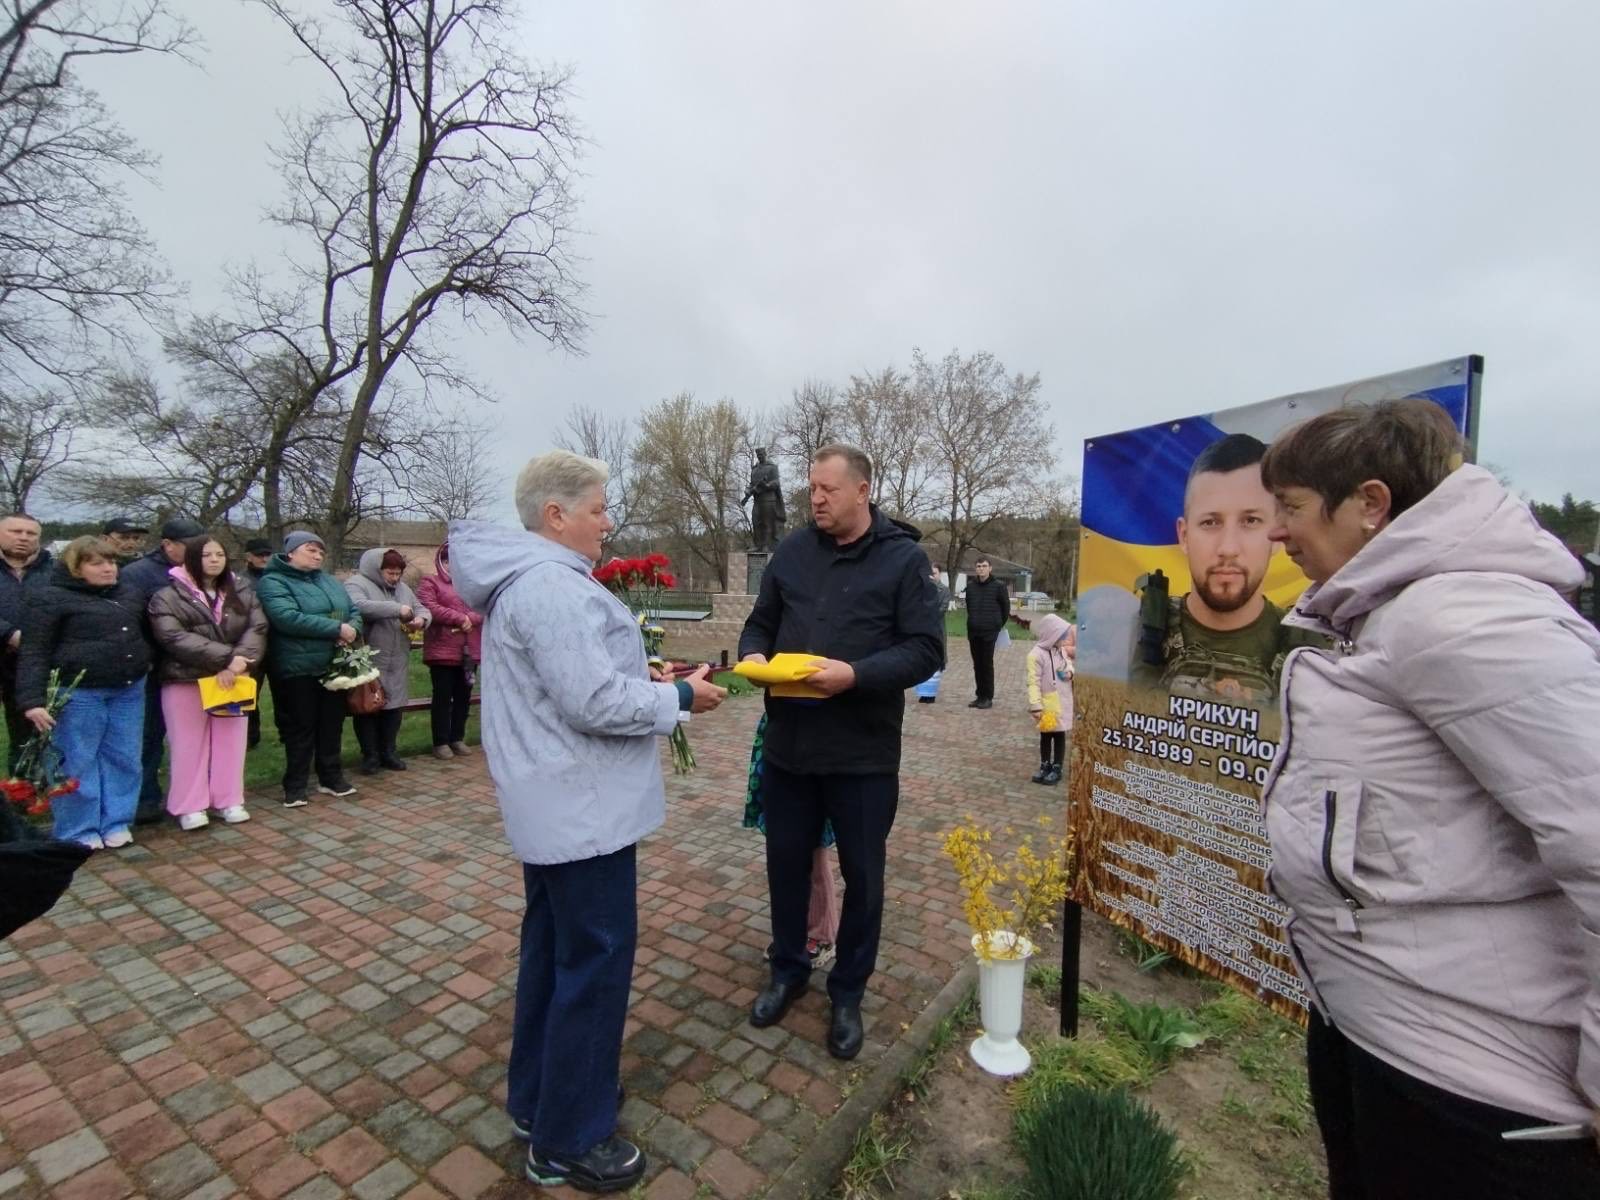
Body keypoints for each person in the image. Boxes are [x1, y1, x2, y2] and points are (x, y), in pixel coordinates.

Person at [1259, 398, 1600, 1198]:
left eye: (1292, 507)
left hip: (1472, 1091)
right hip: (1390, 1039)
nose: (1277, 531)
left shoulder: (1464, 620)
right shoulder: (1396, 614)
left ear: (1370, 504)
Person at [451, 449, 726, 1193]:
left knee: (555, 957)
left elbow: (578, 682)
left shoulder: (536, 580)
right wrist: (677, 700)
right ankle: (570, 1138)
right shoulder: (550, 586)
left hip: (560, 805)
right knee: (594, 967)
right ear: (556, 514)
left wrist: (646, 679)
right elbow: (593, 702)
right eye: (599, 509)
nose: (608, 523)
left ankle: (542, 1100)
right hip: (581, 812)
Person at [739, 442, 944, 1060]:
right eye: (811, 489)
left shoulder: (903, 560)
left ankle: (848, 991)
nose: (816, 499)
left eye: (827, 489)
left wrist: (854, 675)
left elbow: (926, 649)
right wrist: (754, 654)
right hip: (790, 749)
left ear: (862, 490)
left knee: (865, 878)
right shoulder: (793, 551)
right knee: (786, 866)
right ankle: (788, 969)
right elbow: (761, 620)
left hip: (862, 755)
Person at [16, 537, 151, 850]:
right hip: (78, 693)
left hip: (128, 689)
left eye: (111, 562)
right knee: (76, 761)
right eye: (97, 563)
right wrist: (32, 700)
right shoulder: (49, 598)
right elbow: (34, 651)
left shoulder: (128, 593)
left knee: (125, 757)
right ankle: (79, 828)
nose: (108, 569)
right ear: (76, 568)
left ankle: (116, 821)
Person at [1135, 434, 1292, 703]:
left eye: (1250, 521)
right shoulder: (1132, 634)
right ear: (1184, 536)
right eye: (1210, 522)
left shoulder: (1309, 652)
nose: (1228, 548)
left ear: (1277, 533)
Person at [147, 536, 267, 829]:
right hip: (187, 678)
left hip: (234, 678)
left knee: (232, 741)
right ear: (190, 559)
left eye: (219, 554)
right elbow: (173, 636)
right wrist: (226, 659)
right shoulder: (167, 596)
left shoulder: (242, 590)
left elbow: (257, 627)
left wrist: (239, 662)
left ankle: (229, 799)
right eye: (206, 555)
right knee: (188, 744)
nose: (214, 560)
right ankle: (190, 805)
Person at [255, 531, 362, 809]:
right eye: (311, 550)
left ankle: (331, 777)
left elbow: (352, 611)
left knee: (331, 724)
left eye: (321, 552)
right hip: (297, 666)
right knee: (300, 727)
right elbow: (286, 617)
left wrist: (350, 629)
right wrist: (336, 628)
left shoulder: (329, 581)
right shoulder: (273, 581)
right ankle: (295, 785)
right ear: (291, 552)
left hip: (332, 663)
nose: (317, 556)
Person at [120, 515, 207, 826]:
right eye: (190, 546)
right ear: (168, 544)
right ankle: (145, 798)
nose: (198, 552)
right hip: (154, 665)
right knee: (149, 735)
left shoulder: (204, 571)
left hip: (197, 665)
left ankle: (198, 794)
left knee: (195, 736)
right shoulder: (137, 574)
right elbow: (129, 621)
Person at [744, 713, 840, 966]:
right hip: (781, 739)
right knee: (785, 849)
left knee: (814, 849)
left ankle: (821, 933)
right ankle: (792, 934)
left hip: (818, 742)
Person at [345, 547, 431, 774]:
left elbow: (421, 609)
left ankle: (389, 752)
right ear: (376, 569)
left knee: (394, 707)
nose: (395, 578)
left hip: (398, 658)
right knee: (369, 707)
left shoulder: (403, 589)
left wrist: (421, 620)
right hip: (369, 657)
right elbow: (358, 606)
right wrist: (397, 609)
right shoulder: (356, 584)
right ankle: (370, 756)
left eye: (398, 573)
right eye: (390, 573)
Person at [416, 541, 482, 760]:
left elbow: (482, 607)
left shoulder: (472, 585)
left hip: (469, 652)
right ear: (442, 562)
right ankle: (441, 741)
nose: (453, 565)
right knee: (443, 697)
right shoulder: (430, 582)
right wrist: (459, 618)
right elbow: (430, 606)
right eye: (448, 561)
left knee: (463, 696)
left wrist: (470, 618)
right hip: (442, 651)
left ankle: (457, 737)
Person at [0, 513, 51, 774]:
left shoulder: (54, 570)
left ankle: (23, 785)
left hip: (33, 663)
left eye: (30, 533)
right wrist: (8, 634)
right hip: (6, 648)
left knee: (27, 730)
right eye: (15, 531)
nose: (23, 538)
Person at [1025, 613, 1075, 785]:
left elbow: (1069, 665)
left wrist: (1069, 673)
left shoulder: (1061, 651)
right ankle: (1045, 765)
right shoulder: (1035, 655)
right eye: (1062, 636)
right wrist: (1035, 705)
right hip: (1047, 704)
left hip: (1062, 701)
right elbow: (1033, 682)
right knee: (1046, 735)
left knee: (1059, 734)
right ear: (1052, 635)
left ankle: (1057, 767)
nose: (1065, 640)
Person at [963, 557, 1008, 708]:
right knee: (977, 664)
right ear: (975, 569)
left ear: (990, 568)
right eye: (978, 566)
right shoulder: (971, 587)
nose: (981, 568)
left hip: (990, 632)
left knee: (986, 663)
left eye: (984, 566)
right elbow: (969, 606)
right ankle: (979, 695)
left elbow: (1005, 608)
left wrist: (997, 624)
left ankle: (987, 696)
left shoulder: (999, 586)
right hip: (974, 631)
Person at [241, 538, 273, 749]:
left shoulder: (277, 578)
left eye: (267, 554)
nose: (264, 558)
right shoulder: (240, 582)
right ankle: (250, 736)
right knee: (249, 692)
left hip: (276, 643)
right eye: (259, 555)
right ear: (249, 556)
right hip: (252, 644)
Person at [915, 562, 950, 704]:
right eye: (929, 573)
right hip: (922, 629)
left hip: (937, 629)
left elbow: (942, 609)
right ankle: (923, 692)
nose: (931, 576)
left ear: (939, 574)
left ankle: (931, 693)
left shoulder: (944, 590)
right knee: (922, 659)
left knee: (936, 660)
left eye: (934, 573)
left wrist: (927, 614)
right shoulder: (920, 589)